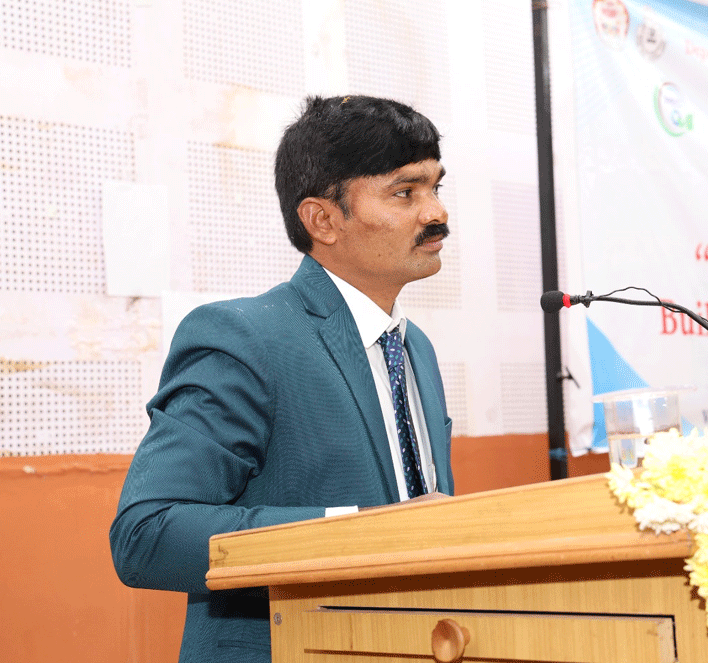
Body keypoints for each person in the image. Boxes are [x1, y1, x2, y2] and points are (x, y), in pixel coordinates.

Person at [110, 95, 454, 663]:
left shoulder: (414, 347)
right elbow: (147, 535)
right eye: (405, 192)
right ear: (323, 220)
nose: (436, 212)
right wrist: (368, 533)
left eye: (437, 187)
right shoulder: (244, 337)